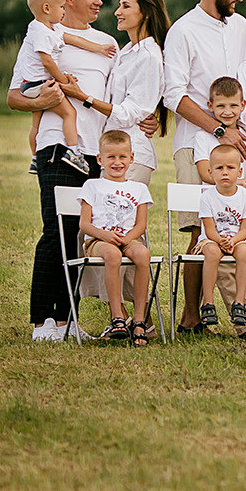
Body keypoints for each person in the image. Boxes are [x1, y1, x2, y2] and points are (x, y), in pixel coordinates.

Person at [11, 0, 116, 343]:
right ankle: (43, 321)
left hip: (94, 152)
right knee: (55, 232)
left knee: (77, 235)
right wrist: (45, 100)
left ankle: (69, 318)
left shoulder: (106, 44)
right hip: (57, 148)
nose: (99, 2)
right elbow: (14, 95)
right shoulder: (43, 35)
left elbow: (116, 98)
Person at [162, 0, 246, 332]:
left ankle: (239, 314)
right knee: (198, 230)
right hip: (196, 145)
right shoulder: (183, 31)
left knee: (234, 224)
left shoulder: (239, 26)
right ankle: (192, 317)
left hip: (238, 143)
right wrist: (221, 132)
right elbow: (173, 94)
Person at [66, 0, 169, 308]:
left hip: (134, 156)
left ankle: (138, 319)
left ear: (145, 13)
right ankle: (123, 315)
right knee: (108, 230)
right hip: (115, 151)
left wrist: (85, 98)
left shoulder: (150, 56)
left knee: (125, 235)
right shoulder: (126, 52)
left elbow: (131, 111)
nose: (117, 11)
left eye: (126, 6)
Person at [13, 0, 103, 173]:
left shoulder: (48, 28)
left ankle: (35, 158)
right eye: (61, 7)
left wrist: (98, 47)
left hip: (31, 85)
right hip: (39, 85)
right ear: (47, 8)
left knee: (35, 124)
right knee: (69, 114)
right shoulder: (41, 32)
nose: (63, 11)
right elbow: (47, 62)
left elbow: (74, 39)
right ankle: (73, 151)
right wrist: (62, 80)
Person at [76, 130, 155, 347]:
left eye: (122, 157)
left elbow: (140, 225)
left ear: (131, 158)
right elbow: (84, 224)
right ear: (100, 159)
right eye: (111, 157)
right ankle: (117, 316)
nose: (117, 162)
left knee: (142, 253)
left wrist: (126, 238)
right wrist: (105, 236)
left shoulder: (139, 189)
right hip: (98, 240)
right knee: (112, 254)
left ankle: (139, 319)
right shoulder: (92, 185)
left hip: (128, 238)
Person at [195, 143, 246, 336]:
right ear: (210, 172)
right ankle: (208, 302)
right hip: (211, 240)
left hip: (238, 238)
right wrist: (221, 240)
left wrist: (233, 241)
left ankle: (239, 303)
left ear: (240, 171)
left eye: (230, 168)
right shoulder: (207, 197)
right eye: (219, 168)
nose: (225, 173)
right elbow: (209, 229)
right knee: (213, 251)